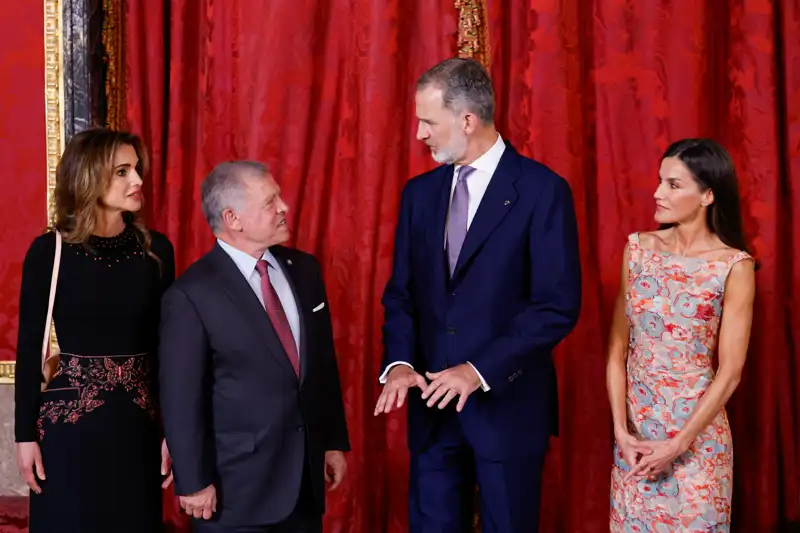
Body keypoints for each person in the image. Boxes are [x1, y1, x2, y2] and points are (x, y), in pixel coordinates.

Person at [374, 58, 582, 533]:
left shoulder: (542, 191)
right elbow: (401, 294)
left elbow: (556, 304)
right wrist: (400, 363)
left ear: (467, 120)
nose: (420, 133)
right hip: (431, 412)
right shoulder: (418, 194)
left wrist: (477, 370)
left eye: (428, 121)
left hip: (507, 409)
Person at [158, 161, 350, 533]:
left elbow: (322, 366)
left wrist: (330, 442)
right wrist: (194, 481)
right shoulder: (192, 294)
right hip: (235, 493)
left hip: (304, 485)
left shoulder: (305, 270)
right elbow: (182, 398)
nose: (284, 207)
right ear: (233, 218)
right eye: (270, 201)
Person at [14, 128, 176, 532]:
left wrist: (175, 433)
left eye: (136, 170)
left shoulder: (156, 251)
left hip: (138, 432)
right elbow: (30, 348)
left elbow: (170, 351)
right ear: (88, 176)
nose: (137, 181)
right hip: (68, 434)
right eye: (122, 172)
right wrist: (23, 437)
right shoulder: (48, 251)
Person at [606, 138, 756, 531]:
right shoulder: (637, 249)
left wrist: (678, 443)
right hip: (635, 443)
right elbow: (617, 348)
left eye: (673, 185)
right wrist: (621, 430)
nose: (657, 193)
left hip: (697, 446)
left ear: (708, 195)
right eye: (660, 181)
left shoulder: (732, 266)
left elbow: (731, 372)